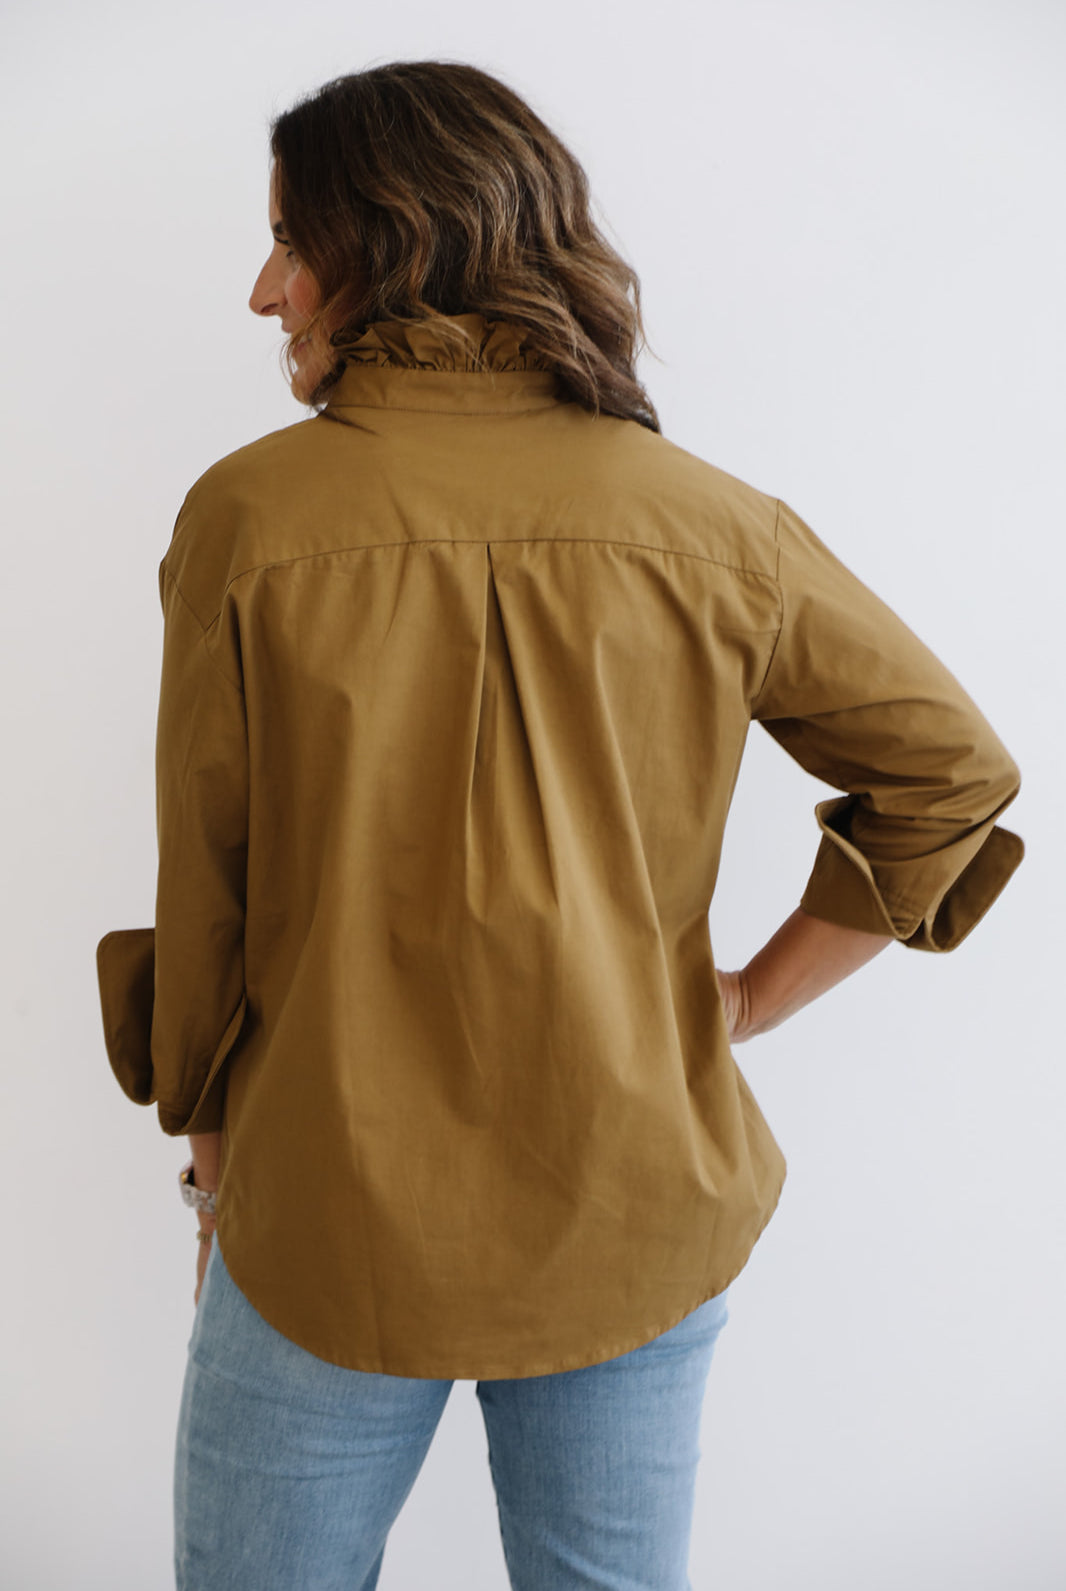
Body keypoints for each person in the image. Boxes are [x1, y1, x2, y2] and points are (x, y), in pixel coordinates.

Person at [94, 59, 1023, 1591]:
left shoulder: (251, 519)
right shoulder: (709, 524)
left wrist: (213, 1175)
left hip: (326, 1211)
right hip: (632, 1208)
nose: (265, 292)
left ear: (390, 242)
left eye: (289, 239)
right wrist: (740, 1004)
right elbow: (948, 774)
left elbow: (209, 885)